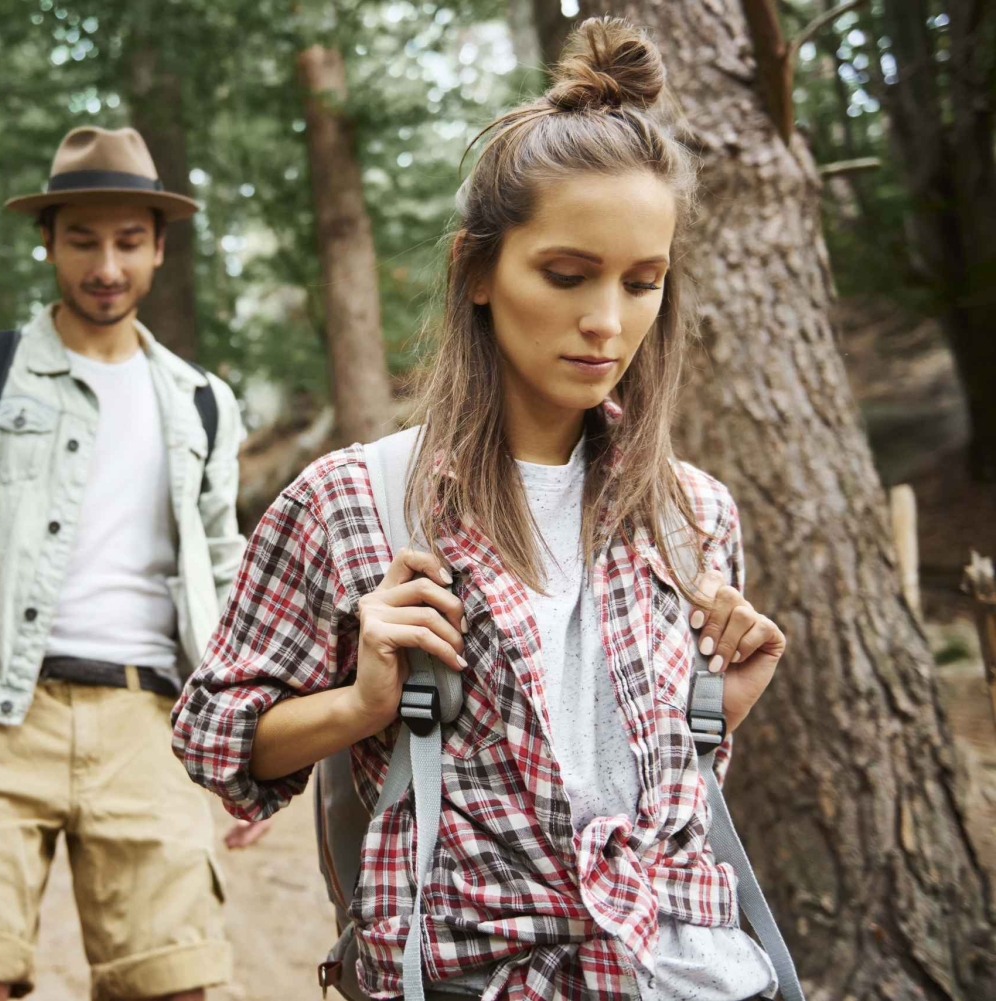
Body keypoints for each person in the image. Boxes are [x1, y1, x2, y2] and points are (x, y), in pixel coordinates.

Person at [173, 18, 787, 1001]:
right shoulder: (355, 501)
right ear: (477, 271)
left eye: (643, 282)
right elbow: (216, 738)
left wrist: (719, 710)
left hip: (691, 974)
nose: (608, 320)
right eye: (566, 273)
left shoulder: (695, 514)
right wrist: (364, 702)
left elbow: (642, 794)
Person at [0, 125, 266, 1001]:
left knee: (178, 987)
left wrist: (249, 742)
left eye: (128, 241)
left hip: (151, 727)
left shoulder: (202, 402)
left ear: (159, 246)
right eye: (83, 239)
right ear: (47, 240)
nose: (107, 266)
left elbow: (227, 573)